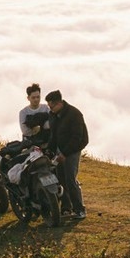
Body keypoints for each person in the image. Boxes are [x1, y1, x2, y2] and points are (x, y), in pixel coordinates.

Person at [43, 89, 88, 220]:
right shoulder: (53, 115)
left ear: (59, 103)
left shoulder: (74, 114)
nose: (50, 110)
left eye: (52, 106)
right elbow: (53, 135)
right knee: (60, 179)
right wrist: (49, 150)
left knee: (70, 180)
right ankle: (66, 208)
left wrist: (65, 153)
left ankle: (80, 209)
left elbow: (77, 137)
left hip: (72, 151)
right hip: (59, 151)